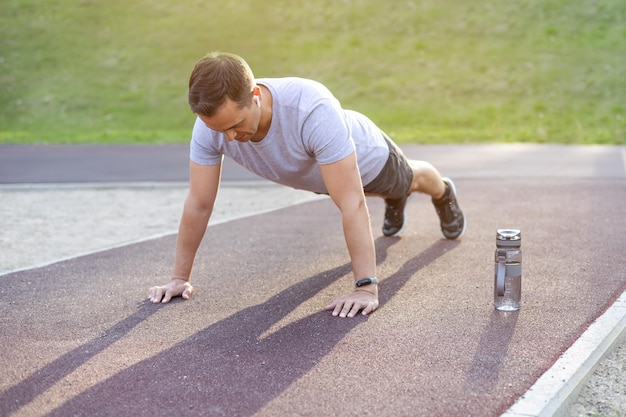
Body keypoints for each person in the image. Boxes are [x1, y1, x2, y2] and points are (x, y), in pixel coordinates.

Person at [148, 52, 465, 318]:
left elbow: (352, 202)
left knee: (409, 180)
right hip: (322, 177)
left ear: (255, 96)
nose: (229, 138)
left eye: (235, 126)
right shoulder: (211, 127)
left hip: (372, 159)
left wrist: (366, 287)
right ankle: (393, 199)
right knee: (355, 191)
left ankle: (443, 191)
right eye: (219, 129)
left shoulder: (310, 108)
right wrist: (179, 278)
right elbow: (199, 203)